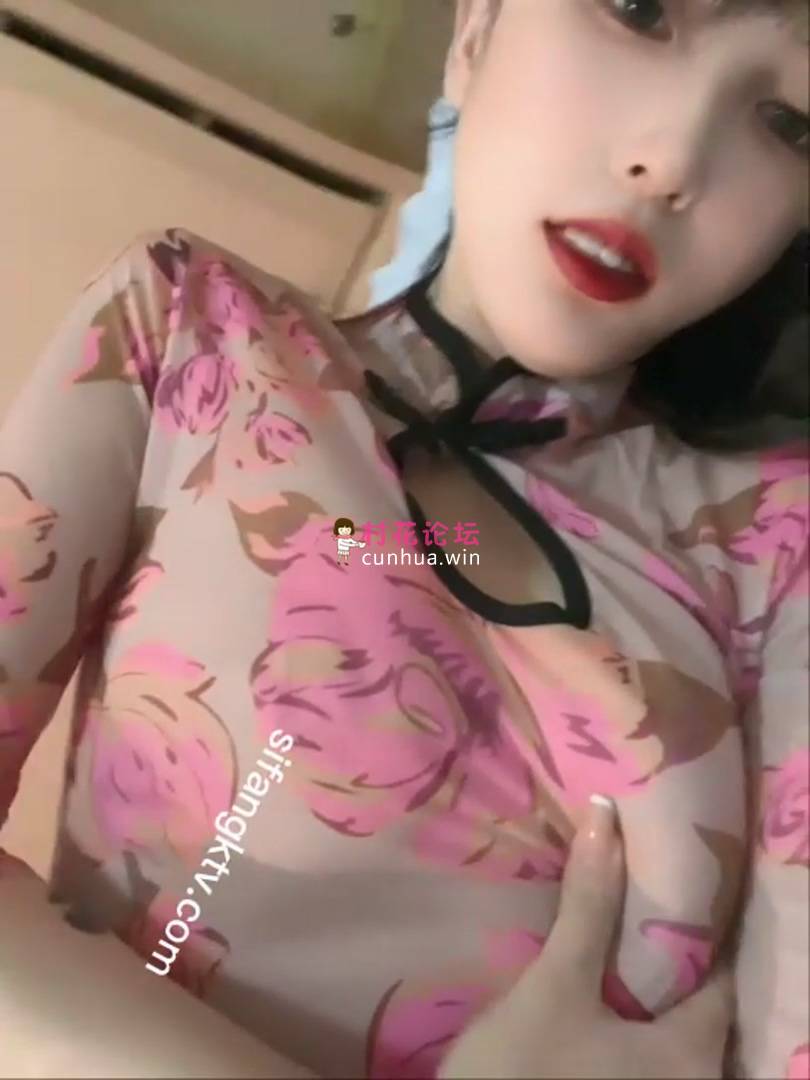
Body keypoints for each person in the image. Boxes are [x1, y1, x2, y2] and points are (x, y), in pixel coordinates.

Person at [1, 1, 807, 1078]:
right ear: (475, 29)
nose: (671, 163)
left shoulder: (776, 548)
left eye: (790, 120)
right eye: (637, 8)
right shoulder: (187, 328)